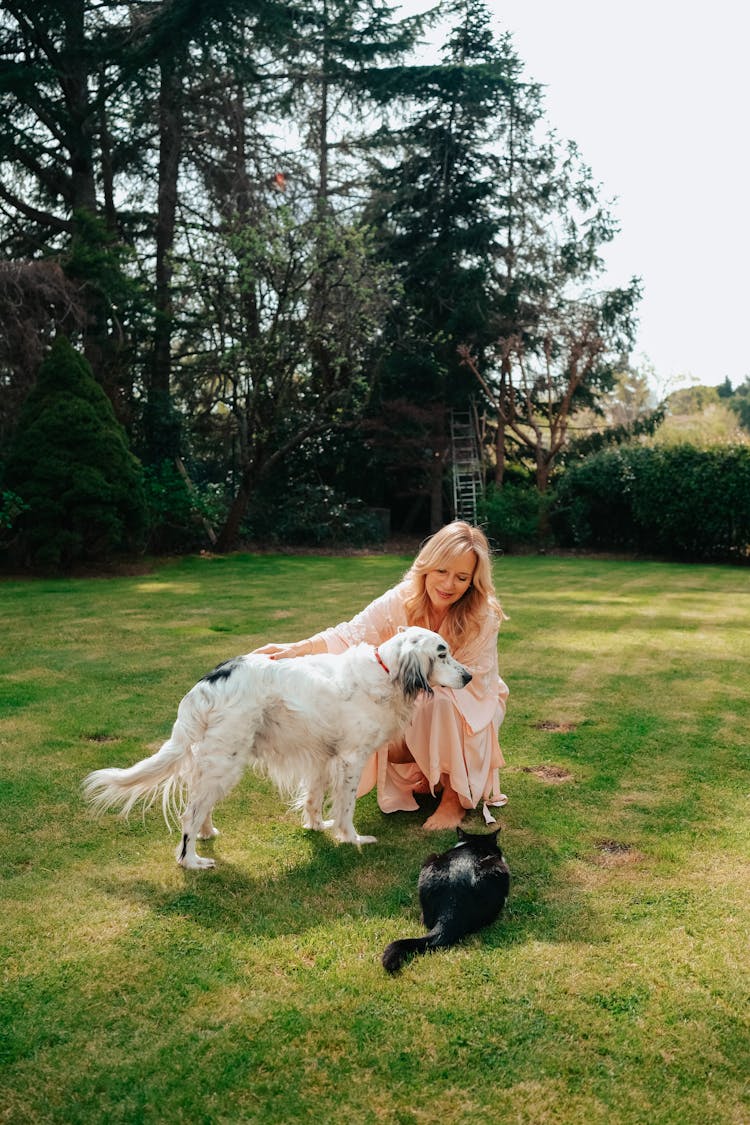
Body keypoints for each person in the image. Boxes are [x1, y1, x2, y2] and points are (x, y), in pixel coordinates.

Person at [254, 521, 509, 830]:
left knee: (437, 704)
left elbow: (476, 681)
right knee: (377, 707)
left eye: (462, 577)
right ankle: (427, 774)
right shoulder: (403, 597)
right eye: (442, 571)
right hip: (416, 696)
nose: (448, 584)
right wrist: (297, 647)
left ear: (472, 582)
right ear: (427, 566)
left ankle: (453, 799)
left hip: (469, 699)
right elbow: (351, 633)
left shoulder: (482, 614)